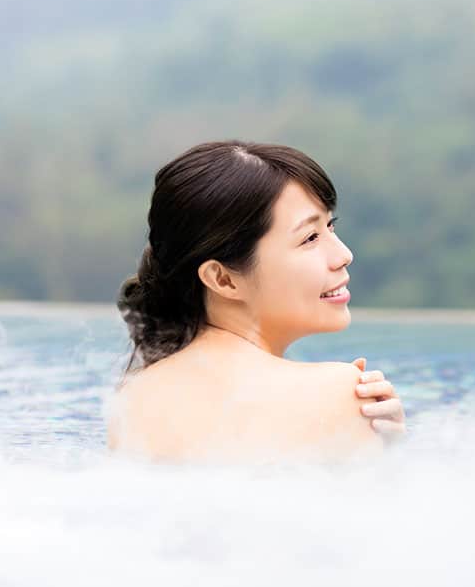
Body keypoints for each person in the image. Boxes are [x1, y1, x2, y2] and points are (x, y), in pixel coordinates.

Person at [106, 141, 406, 465]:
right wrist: (391, 448)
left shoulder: (133, 399)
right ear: (223, 279)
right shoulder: (338, 391)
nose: (344, 255)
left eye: (330, 227)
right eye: (310, 238)